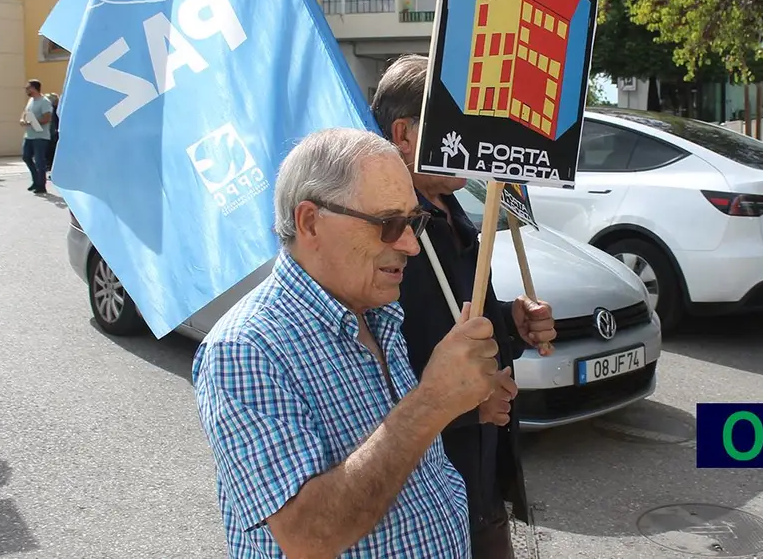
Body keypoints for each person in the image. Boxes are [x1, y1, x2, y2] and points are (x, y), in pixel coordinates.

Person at [192, 127, 502, 558]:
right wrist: (432, 401)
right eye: (389, 224)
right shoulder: (247, 348)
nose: (411, 244)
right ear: (310, 221)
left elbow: (399, 454)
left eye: (414, 221)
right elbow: (307, 536)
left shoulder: (377, 312)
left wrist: (458, 399)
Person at [371, 54, 558, 559]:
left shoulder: (454, 214)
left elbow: (467, 325)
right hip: (425, 499)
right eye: (456, 127)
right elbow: (369, 378)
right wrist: (465, 405)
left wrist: (513, 326)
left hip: (481, 484)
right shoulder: (383, 233)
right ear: (404, 134)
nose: (471, 145)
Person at [19, 79, 52, 195]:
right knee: (26, 157)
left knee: (39, 161)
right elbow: (25, 113)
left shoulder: (44, 101)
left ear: (34, 88)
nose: (26, 90)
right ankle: (36, 180)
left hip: (40, 136)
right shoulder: (30, 101)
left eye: (28, 88)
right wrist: (23, 120)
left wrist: (32, 122)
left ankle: (41, 185)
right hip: (29, 135)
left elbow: (47, 118)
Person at [43, 92, 60, 175]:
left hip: (53, 136)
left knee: (51, 155)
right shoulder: (55, 109)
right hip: (52, 136)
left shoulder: (54, 109)